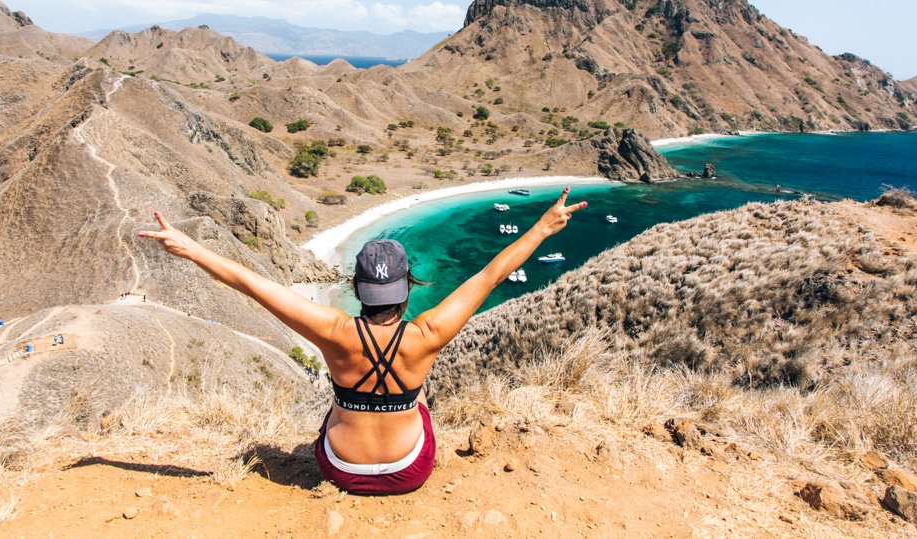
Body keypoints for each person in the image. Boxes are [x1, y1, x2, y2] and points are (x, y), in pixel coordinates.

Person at [139, 188, 586, 495]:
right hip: (409, 470)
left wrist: (193, 248)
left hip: (340, 471)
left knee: (341, 400)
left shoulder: (332, 330)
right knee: (419, 395)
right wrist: (544, 227)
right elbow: (491, 274)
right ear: (407, 286)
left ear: (357, 287)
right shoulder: (428, 334)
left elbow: (251, 284)